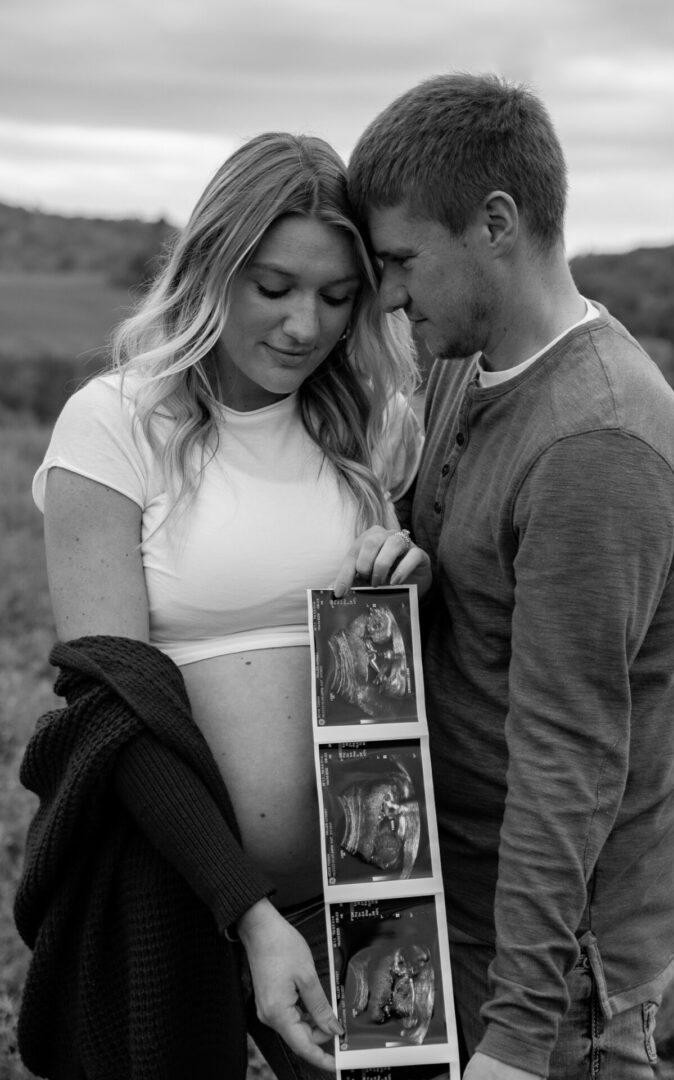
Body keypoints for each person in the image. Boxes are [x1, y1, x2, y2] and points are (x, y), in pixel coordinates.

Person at [14, 131, 427, 1080]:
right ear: (213, 266)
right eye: (273, 288)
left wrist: (411, 583)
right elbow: (111, 709)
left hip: (357, 896)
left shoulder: (375, 424)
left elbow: (402, 664)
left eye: (336, 296)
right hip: (176, 887)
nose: (303, 326)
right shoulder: (117, 421)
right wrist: (246, 911)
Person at [334, 73, 674, 1079]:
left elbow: (569, 754)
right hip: (450, 909)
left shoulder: (597, 441)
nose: (394, 294)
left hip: (551, 975)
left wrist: (517, 1038)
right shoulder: (465, 364)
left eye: (406, 260)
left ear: (496, 222)